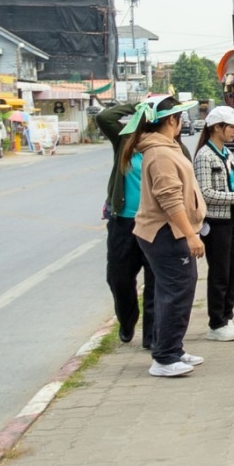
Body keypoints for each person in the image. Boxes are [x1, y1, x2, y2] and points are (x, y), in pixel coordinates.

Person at [134, 95, 209, 378]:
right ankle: (164, 357)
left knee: (173, 291)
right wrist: (191, 235)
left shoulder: (165, 148)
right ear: (171, 121)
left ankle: (172, 348)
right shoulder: (160, 153)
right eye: (179, 118)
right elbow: (170, 199)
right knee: (176, 291)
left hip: (170, 232)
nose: (182, 123)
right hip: (167, 233)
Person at [94, 97, 158, 347]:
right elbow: (103, 118)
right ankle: (127, 318)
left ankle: (151, 336)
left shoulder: (166, 146)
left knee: (155, 280)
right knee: (118, 278)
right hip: (123, 223)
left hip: (154, 223)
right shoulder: (124, 142)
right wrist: (137, 104)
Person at [195, 105, 234, 343]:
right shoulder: (204, 156)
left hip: (233, 218)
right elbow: (205, 193)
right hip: (216, 221)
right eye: (231, 126)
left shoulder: (226, 153)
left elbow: (232, 182)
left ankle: (227, 315)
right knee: (219, 272)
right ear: (217, 128)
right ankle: (216, 321)